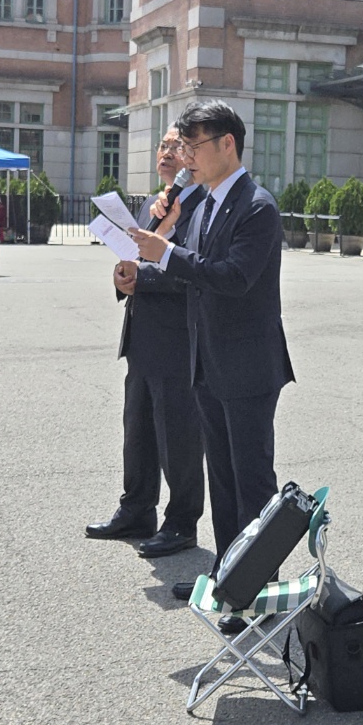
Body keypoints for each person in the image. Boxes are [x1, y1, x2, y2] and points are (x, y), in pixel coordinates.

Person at [130, 101, 294, 631]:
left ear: (228, 144)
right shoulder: (202, 205)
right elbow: (188, 274)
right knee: (222, 480)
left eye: (194, 146)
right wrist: (146, 269)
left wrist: (164, 254)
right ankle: (228, 580)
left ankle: (258, 592)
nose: (186, 157)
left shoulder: (257, 207)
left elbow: (232, 276)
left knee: (251, 483)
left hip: (248, 366)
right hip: (205, 360)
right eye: (182, 146)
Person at [87, 131, 208, 556]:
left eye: (177, 146)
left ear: (193, 155)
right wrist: (123, 276)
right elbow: (136, 259)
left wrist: (144, 276)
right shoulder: (150, 205)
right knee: (137, 429)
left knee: (179, 435)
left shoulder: (202, 206)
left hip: (178, 340)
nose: (167, 153)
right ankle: (136, 509)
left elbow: (194, 270)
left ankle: (181, 523)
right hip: (141, 336)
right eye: (163, 145)